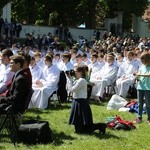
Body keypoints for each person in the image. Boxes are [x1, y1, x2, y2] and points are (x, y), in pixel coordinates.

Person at [67, 65, 107, 134]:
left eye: (75, 71)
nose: (73, 72)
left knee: (85, 127)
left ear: (80, 72)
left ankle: (100, 125)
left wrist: (69, 79)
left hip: (81, 102)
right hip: (77, 101)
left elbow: (71, 90)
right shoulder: (77, 80)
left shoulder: (82, 80)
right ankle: (100, 126)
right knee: (79, 128)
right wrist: (71, 79)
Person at [134, 52, 150, 124]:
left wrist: (139, 74)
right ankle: (139, 117)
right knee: (139, 103)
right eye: (141, 60)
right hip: (140, 87)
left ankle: (149, 118)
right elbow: (139, 77)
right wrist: (137, 76)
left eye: (143, 60)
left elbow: (149, 75)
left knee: (148, 103)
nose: (142, 62)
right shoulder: (141, 67)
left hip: (148, 88)